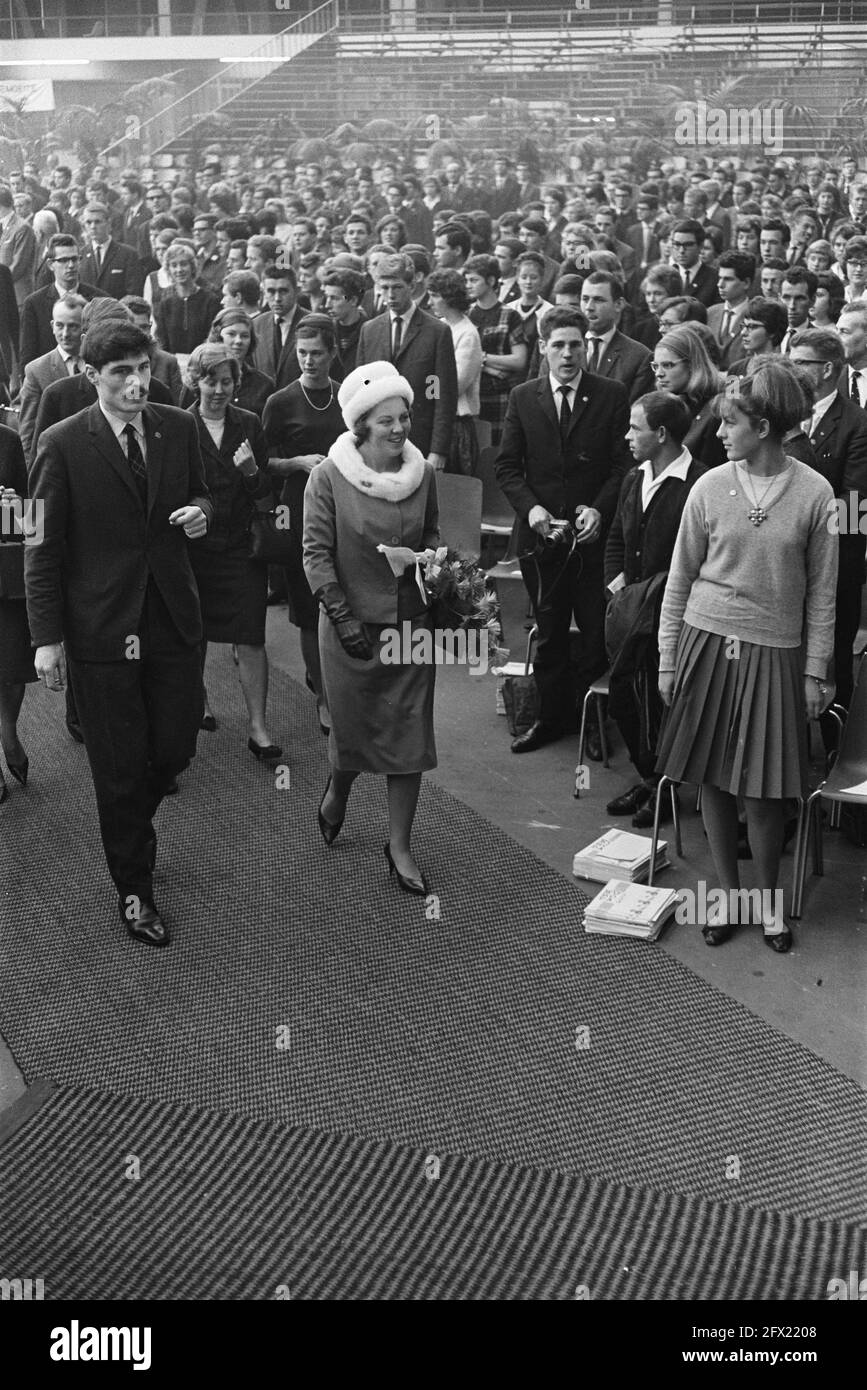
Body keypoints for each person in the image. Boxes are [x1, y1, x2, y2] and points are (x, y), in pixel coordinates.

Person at [25, 320, 213, 948]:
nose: (137, 382)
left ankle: (133, 822)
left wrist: (200, 514)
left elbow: (205, 493)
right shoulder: (60, 443)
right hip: (101, 629)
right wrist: (46, 638)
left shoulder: (177, 425)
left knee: (177, 744)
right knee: (118, 766)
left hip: (171, 617)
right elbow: (40, 548)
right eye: (121, 373)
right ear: (90, 376)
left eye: (143, 367)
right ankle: (134, 887)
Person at [656, 358, 838, 954]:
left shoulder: (816, 493)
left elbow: (823, 594)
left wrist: (816, 670)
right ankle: (725, 897)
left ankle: (769, 904)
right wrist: (667, 657)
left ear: (762, 426)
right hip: (706, 644)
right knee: (712, 779)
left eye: (729, 422)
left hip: (776, 651)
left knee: (763, 789)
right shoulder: (710, 487)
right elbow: (679, 579)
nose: (718, 433)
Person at [303, 360, 439, 895]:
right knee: (354, 731)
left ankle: (399, 846)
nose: (400, 428)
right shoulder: (328, 476)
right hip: (349, 626)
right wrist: (341, 615)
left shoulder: (422, 473)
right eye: (386, 421)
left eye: (403, 416)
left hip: (412, 625)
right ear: (361, 425)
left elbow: (434, 536)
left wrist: (431, 564)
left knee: (409, 736)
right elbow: (315, 555)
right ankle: (338, 792)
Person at [495, 306, 632, 756]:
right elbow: (508, 467)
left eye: (576, 344)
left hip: (594, 540)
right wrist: (532, 510)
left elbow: (622, 465)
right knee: (551, 632)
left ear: (585, 347)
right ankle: (549, 719)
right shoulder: (523, 396)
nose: (568, 354)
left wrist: (598, 509)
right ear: (543, 348)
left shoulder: (611, 394)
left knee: (595, 633)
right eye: (559, 345)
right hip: (542, 540)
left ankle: (594, 725)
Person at [604, 391, 707, 826]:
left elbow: (700, 560)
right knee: (628, 694)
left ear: (661, 433)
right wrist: (617, 587)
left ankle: (666, 784)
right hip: (632, 613)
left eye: (635, 427)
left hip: (673, 615)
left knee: (668, 701)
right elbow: (616, 540)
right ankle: (650, 778)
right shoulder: (634, 478)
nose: (628, 435)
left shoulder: (699, 484)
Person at [183, 342, 280, 762]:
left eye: (227, 381)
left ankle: (258, 727)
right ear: (195, 381)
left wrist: (252, 472)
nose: (219, 389)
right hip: (195, 550)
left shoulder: (249, 423)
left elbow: (266, 498)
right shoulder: (179, 425)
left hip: (242, 548)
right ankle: (199, 703)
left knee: (251, 636)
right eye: (210, 380)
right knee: (194, 634)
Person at [262, 314, 345, 733]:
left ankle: (339, 682)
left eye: (316, 353)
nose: (308, 361)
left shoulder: (346, 395)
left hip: (344, 507)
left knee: (341, 596)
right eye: (301, 353)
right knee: (311, 606)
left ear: (332, 353)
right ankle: (323, 698)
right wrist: (296, 462)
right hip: (298, 509)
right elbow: (261, 463)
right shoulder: (281, 402)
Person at [356, 251, 458, 470]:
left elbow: (443, 397)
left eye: (397, 287)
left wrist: (438, 450)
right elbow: (361, 391)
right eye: (384, 288)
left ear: (412, 287)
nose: (390, 295)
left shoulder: (437, 332)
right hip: (377, 441)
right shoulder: (369, 330)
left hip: (419, 438)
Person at [0, 423, 35, 804]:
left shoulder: (7, 440)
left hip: (4, 576)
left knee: (11, 667)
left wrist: (14, 506)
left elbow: (32, 521)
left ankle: (8, 734)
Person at [426, 267, 482, 476]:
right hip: (434, 418)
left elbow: (454, 386)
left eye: (434, 296)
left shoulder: (467, 334)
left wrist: (427, 383)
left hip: (456, 424)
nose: (430, 302)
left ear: (449, 297)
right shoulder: (439, 327)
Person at [651, 324, 727, 469]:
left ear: (692, 364)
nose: (658, 373)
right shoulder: (664, 403)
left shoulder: (721, 404)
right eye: (655, 366)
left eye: (667, 365)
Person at [203, 308, 274, 416]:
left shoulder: (264, 384)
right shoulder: (201, 377)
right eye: (231, 334)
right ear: (218, 336)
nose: (238, 341)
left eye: (244, 336)